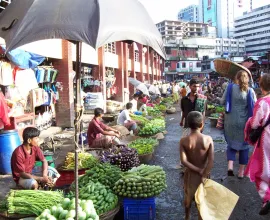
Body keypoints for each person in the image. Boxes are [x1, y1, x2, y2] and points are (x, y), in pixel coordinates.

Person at [220, 70, 256, 178]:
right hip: (244, 123)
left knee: (231, 143)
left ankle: (230, 167)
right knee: (244, 147)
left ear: (237, 77)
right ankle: (241, 172)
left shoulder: (230, 87)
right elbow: (255, 106)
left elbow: (222, 101)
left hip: (230, 121)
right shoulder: (250, 91)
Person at [180, 111, 214, 220]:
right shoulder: (208, 139)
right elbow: (211, 160)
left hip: (190, 174)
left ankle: (187, 217)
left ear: (188, 124)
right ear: (202, 124)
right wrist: (204, 173)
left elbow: (183, 161)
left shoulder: (184, 140)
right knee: (202, 201)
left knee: (188, 198)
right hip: (204, 175)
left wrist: (197, 170)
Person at [244, 74, 270, 215]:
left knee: (261, 170)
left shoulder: (262, 102)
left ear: (262, 86)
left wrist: (249, 122)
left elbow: (255, 123)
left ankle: (267, 198)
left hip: (266, 139)